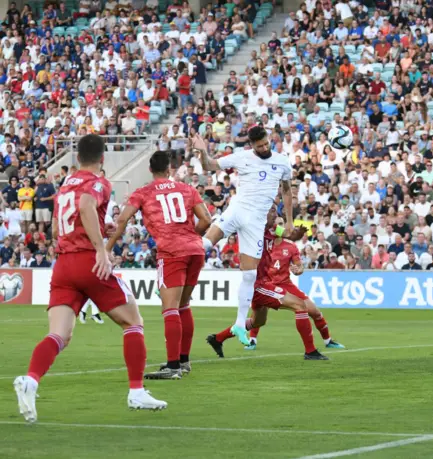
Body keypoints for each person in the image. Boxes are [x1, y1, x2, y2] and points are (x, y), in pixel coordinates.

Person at [14, 134, 167, 424]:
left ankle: (31, 379)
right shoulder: (98, 182)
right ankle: (136, 391)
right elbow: (86, 206)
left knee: (59, 334)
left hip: (63, 264)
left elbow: (60, 231)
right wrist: (100, 249)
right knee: (133, 321)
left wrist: (99, 227)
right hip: (88, 262)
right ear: (102, 159)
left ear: (76, 159)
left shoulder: (64, 187)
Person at [107, 151, 212, 380]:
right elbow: (206, 220)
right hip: (195, 250)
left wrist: (107, 248)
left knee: (170, 308)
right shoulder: (187, 189)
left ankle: (173, 366)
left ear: (150, 170)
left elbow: (123, 220)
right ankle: (183, 361)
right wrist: (190, 237)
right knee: (183, 305)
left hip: (171, 251)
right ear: (169, 169)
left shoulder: (143, 193)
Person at [207, 207, 343, 360]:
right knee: (300, 306)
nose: (275, 215)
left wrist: (296, 234)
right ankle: (310, 351)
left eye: (276, 213)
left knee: (258, 321)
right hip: (259, 284)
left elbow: (287, 234)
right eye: (271, 212)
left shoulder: (273, 230)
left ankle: (217, 338)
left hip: (264, 283)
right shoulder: (254, 228)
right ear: (262, 215)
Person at [199, 126, 294, 346]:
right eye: (259, 146)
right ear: (251, 145)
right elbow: (208, 165)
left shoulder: (282, 161)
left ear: (269, 139)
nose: (263, 148)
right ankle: (168, 276)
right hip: (237, 210)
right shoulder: (242, 157)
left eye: (265, 143)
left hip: (256, 222)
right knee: (205, 243)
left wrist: (289, 221)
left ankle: (240, 324)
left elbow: (287, 190)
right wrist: (203, 151)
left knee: (250, 275)